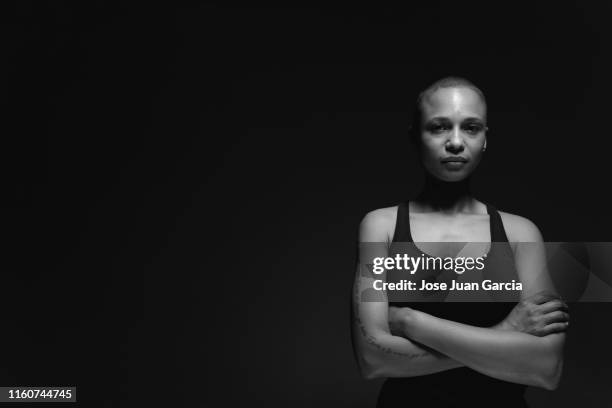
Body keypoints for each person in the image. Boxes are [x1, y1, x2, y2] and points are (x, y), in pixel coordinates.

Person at [350, 77, 570, 407]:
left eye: (470, 127)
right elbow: (373, 360)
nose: (455, 142)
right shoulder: (381, 227)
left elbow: (547, 368)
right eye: (439, 127)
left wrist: (413, 322)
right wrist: (505, 332)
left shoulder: (520, 234)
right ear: (415, 136)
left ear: (485, 139)